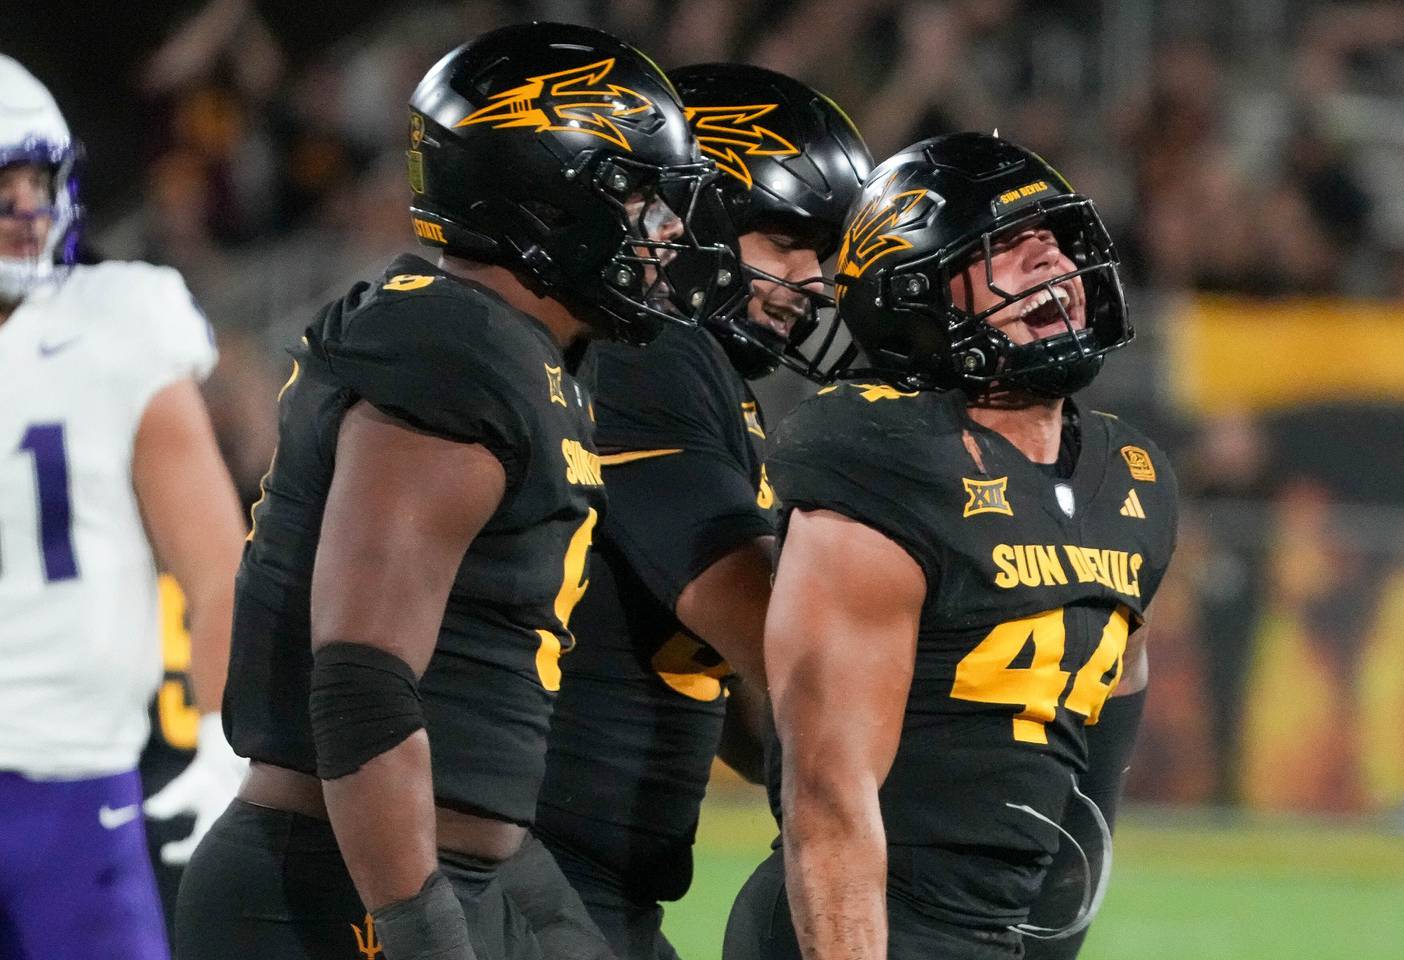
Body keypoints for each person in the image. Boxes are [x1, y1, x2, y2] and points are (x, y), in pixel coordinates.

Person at [173, 22, 738, 960]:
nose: (667, 229)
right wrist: (423, 931)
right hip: (337, 889)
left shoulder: (512, 351)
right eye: (638, 196)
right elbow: (361, 683)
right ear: (546, 199)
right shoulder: (452, 352)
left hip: (441, 869)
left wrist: (529, 899)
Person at [723, 132, 1179, 960]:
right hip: (871, 924)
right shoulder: (886, 460)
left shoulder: (1131, 474)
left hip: (993, 933)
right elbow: (827, 795)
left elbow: (1116, 690)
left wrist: (1053, 923)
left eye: (1054, 238)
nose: (1050, 262)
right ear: (917, 295)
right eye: (1006, 247)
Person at [530, 63, 871, 960]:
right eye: (788, 238)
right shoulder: (648, 350)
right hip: (527, 871)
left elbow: (723, 684)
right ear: (692, 215)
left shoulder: (702, 377)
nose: (812, 278)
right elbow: (767, 635)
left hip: (582, 881)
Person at [0, 55, 247, 960]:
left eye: (38, 179)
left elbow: (219, 570)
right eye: (3, 185)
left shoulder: (117, 322)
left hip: (72, 782)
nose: (27, 209)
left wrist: (227, 741)